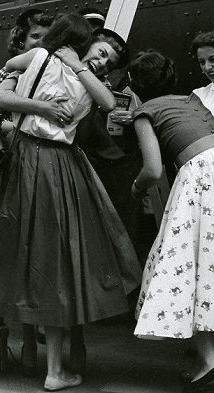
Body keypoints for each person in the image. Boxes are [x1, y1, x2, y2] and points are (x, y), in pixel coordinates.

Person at [0, 14, 140, 391]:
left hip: (19, 158)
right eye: (100, 53)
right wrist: (44, 103)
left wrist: (72, 65)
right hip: (50, 163)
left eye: (109, 63)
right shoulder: (62, 69)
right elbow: (5, 90)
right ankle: (53, 370)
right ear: (85, 44)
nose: (103, 63)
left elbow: (8, 81)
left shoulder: (65, 67)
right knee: (53, 261)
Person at [129, 46, 214, 393]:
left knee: (192, 266)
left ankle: (210, 362)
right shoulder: (193, 100)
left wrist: (135, 189)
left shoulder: (145, 111)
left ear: (135, 86)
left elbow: (152, 169)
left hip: (200, 180)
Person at [0, 9, 53, 377]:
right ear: (22, 42)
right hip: (15, 172)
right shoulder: (12, 72)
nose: (41, 44)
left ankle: (40, 338)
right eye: (35, 38)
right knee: (20, 256)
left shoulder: (58, 71)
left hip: (47, 171)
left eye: (47, 37)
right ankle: (26, 339)